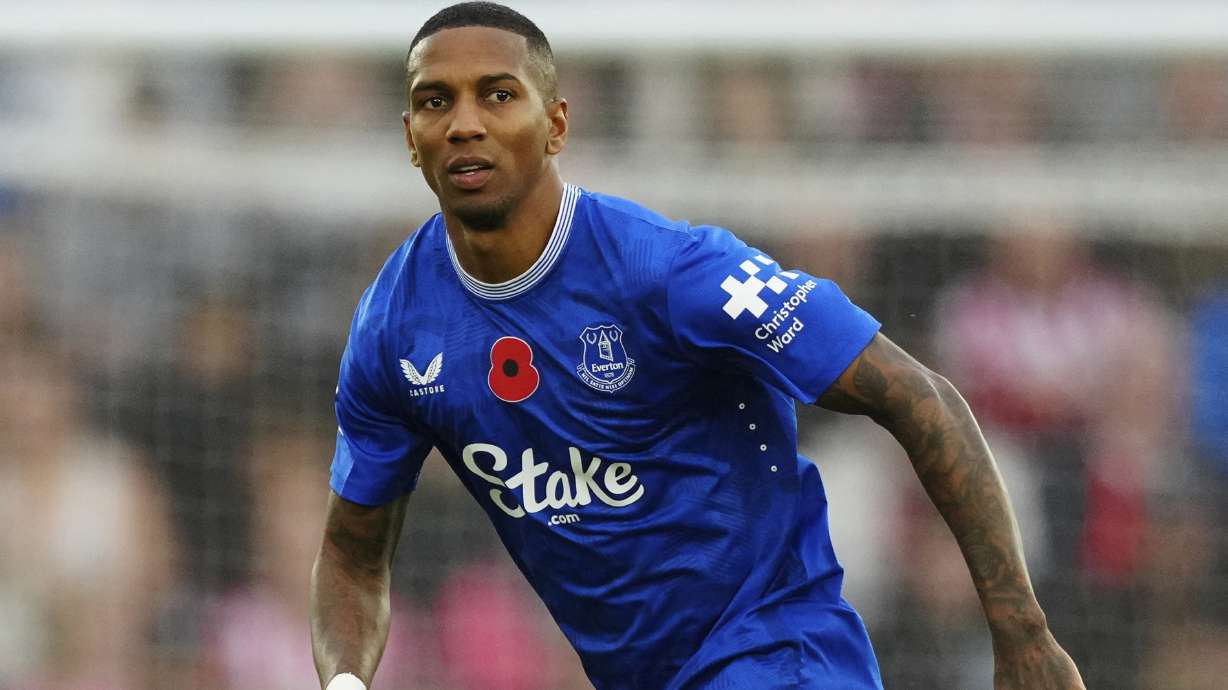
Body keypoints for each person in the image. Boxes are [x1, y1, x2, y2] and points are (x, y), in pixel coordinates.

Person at [310, 4, 1085, 689]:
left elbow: (922, 398)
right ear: (410, 138)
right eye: (434, 102)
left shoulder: (670, 273)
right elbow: (351, 552)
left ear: (556, 124)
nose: (465, 122)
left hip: (779, 655)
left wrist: (1023, 634)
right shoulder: (396, 329)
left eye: (499, 94)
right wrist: (344, 680)